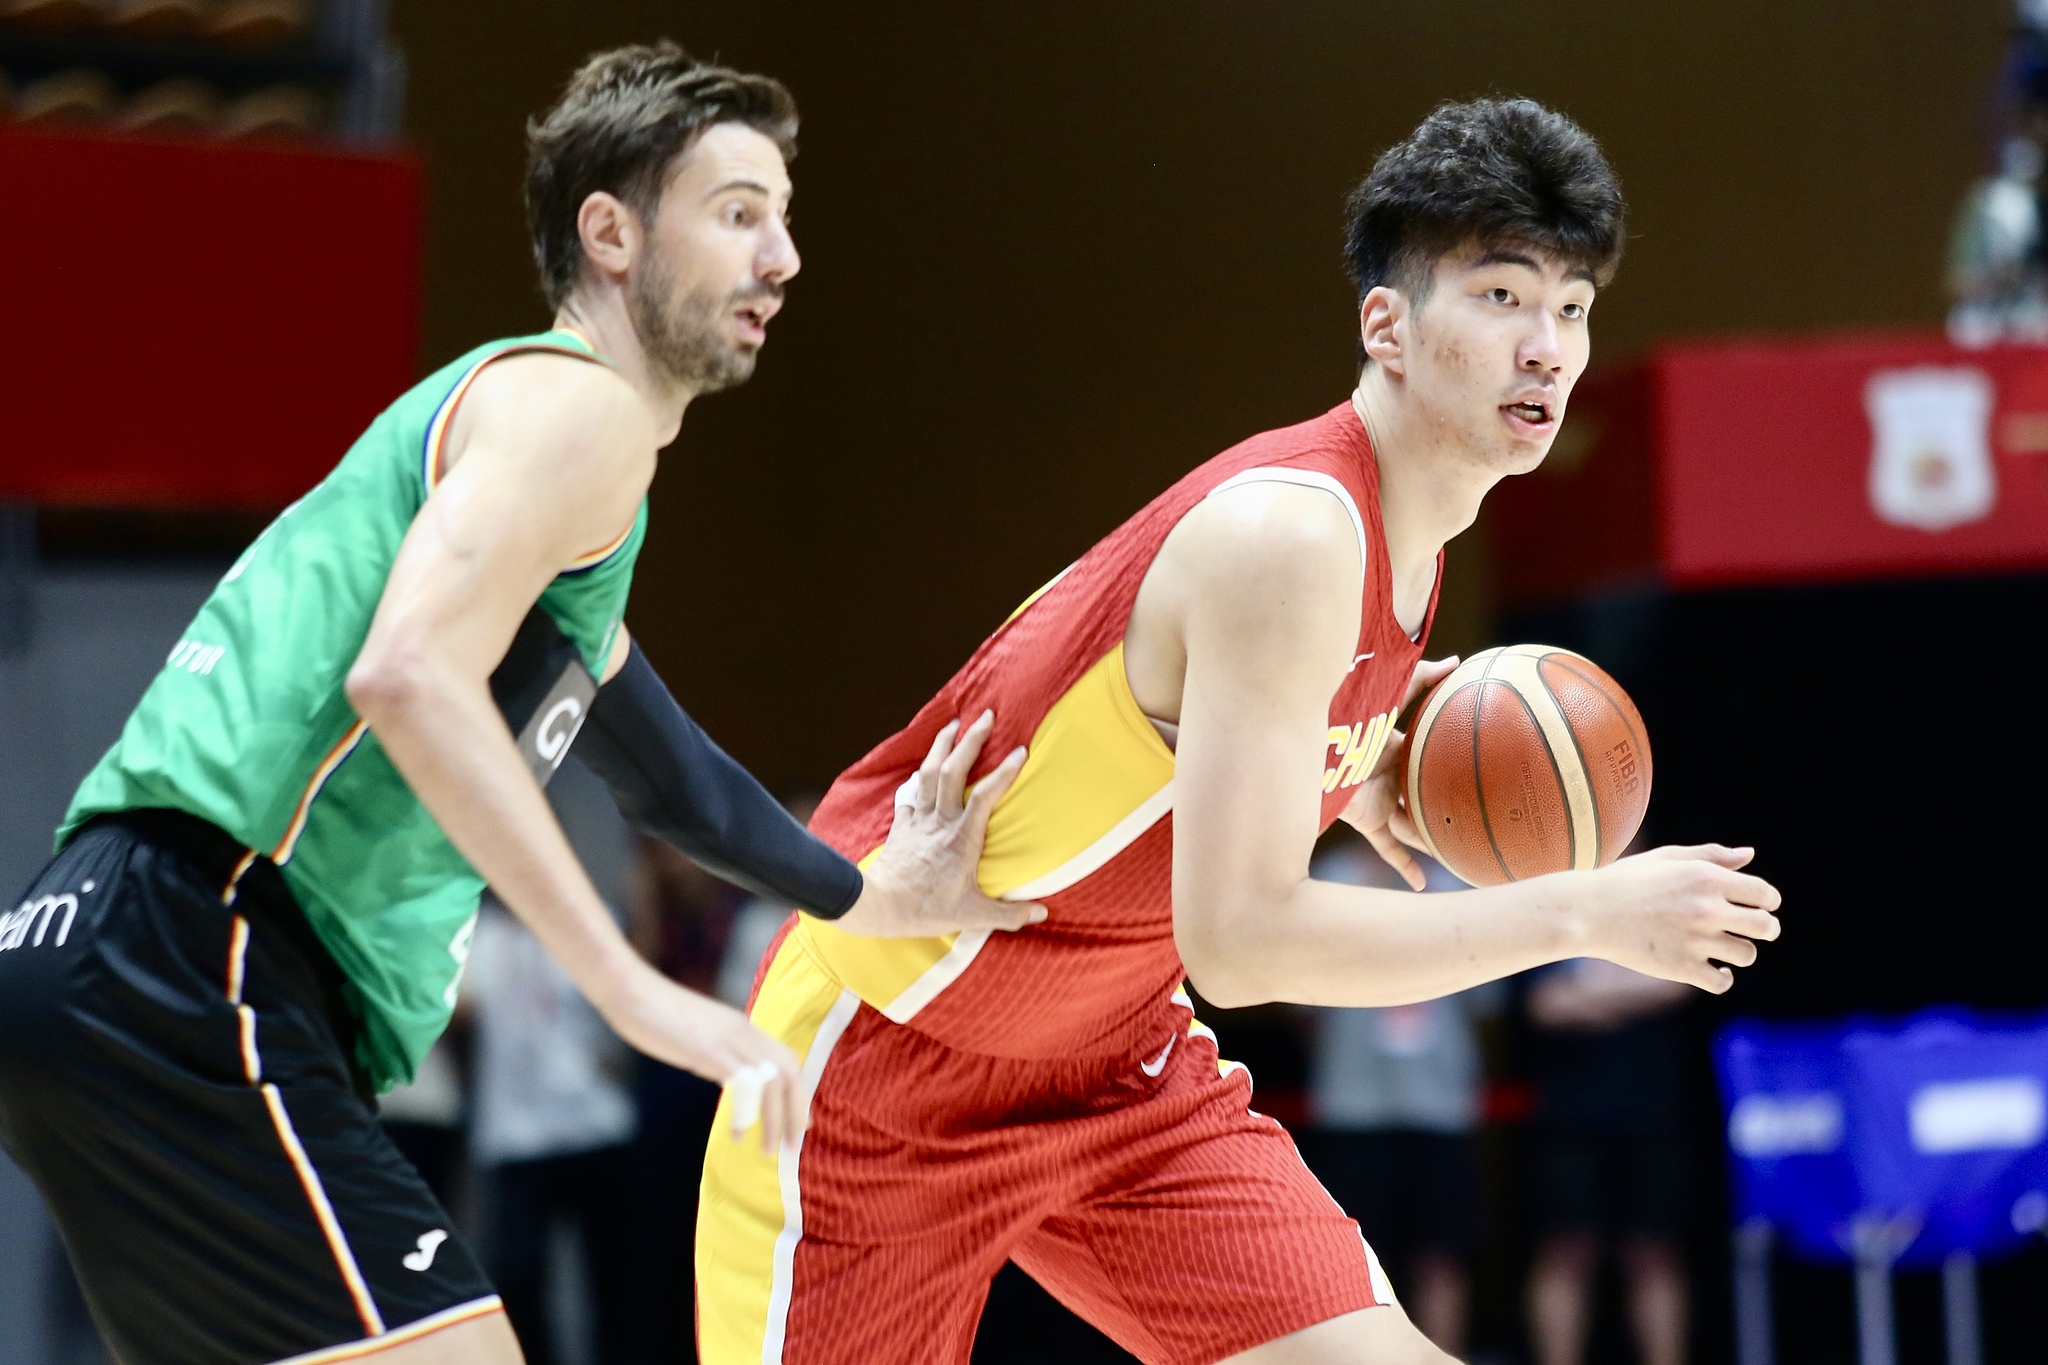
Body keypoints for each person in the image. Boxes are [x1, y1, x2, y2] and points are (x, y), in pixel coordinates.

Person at [698, 97, 1783, 1365]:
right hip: (885, 1072)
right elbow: (1246, 940)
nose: (1544, 346)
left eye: (1570, 307)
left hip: (1114, 1069)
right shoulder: (1293, 535)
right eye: (1498, 297)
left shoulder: (1407, 550)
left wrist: (1366, 754)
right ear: (1386, 325)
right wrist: (1585, 914)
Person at [0, 43, 1039, 1365]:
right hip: (199, 952)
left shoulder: (537, 475)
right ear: (610, 232)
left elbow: (679, 784)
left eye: (785, 218)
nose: (781, 257)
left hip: (96, 948)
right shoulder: (578, 412)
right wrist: (630, 990)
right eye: (737, 214)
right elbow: (408, 670)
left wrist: (882, 895)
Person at [1300, 843, 1499, 1358]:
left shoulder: (1461, 882)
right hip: (1352, 1106)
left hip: (1441, 1107)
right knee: (1354, 1261)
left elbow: (1488, 1000)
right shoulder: (1330, 878)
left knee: (1444, 1256)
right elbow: (1298, 999)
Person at [1521, 959, 1694, 1365]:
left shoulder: (1660, 902)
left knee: (1654, 1253)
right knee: (1566, 1250)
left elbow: (1683, 984)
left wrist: (1589, 996)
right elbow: (1545, 1004)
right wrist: (1636, 991)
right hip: (1569, 1111)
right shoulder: (1554, 907)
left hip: (1654, 1109)